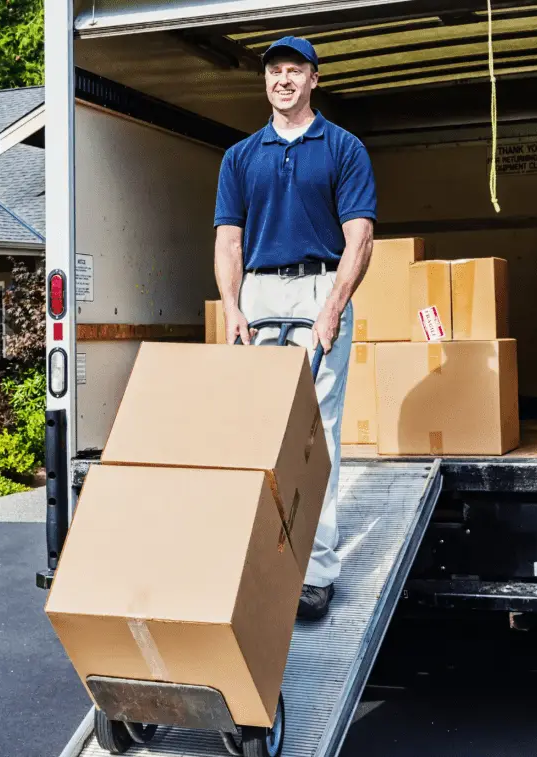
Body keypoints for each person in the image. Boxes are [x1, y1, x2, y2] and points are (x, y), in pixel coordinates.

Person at [213, 36, 376, 620]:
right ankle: (260, 561)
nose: (283, 80)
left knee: (317, 431)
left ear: (314, 79)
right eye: (274, 71)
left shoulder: (343, 147)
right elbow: (228, 240)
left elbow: (360, 236)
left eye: (294, 70)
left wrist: (333, 306)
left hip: (318, 290)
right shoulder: (240, 156)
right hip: (258, 294)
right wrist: (231, 307)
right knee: (257, 432)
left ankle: (316, 573)